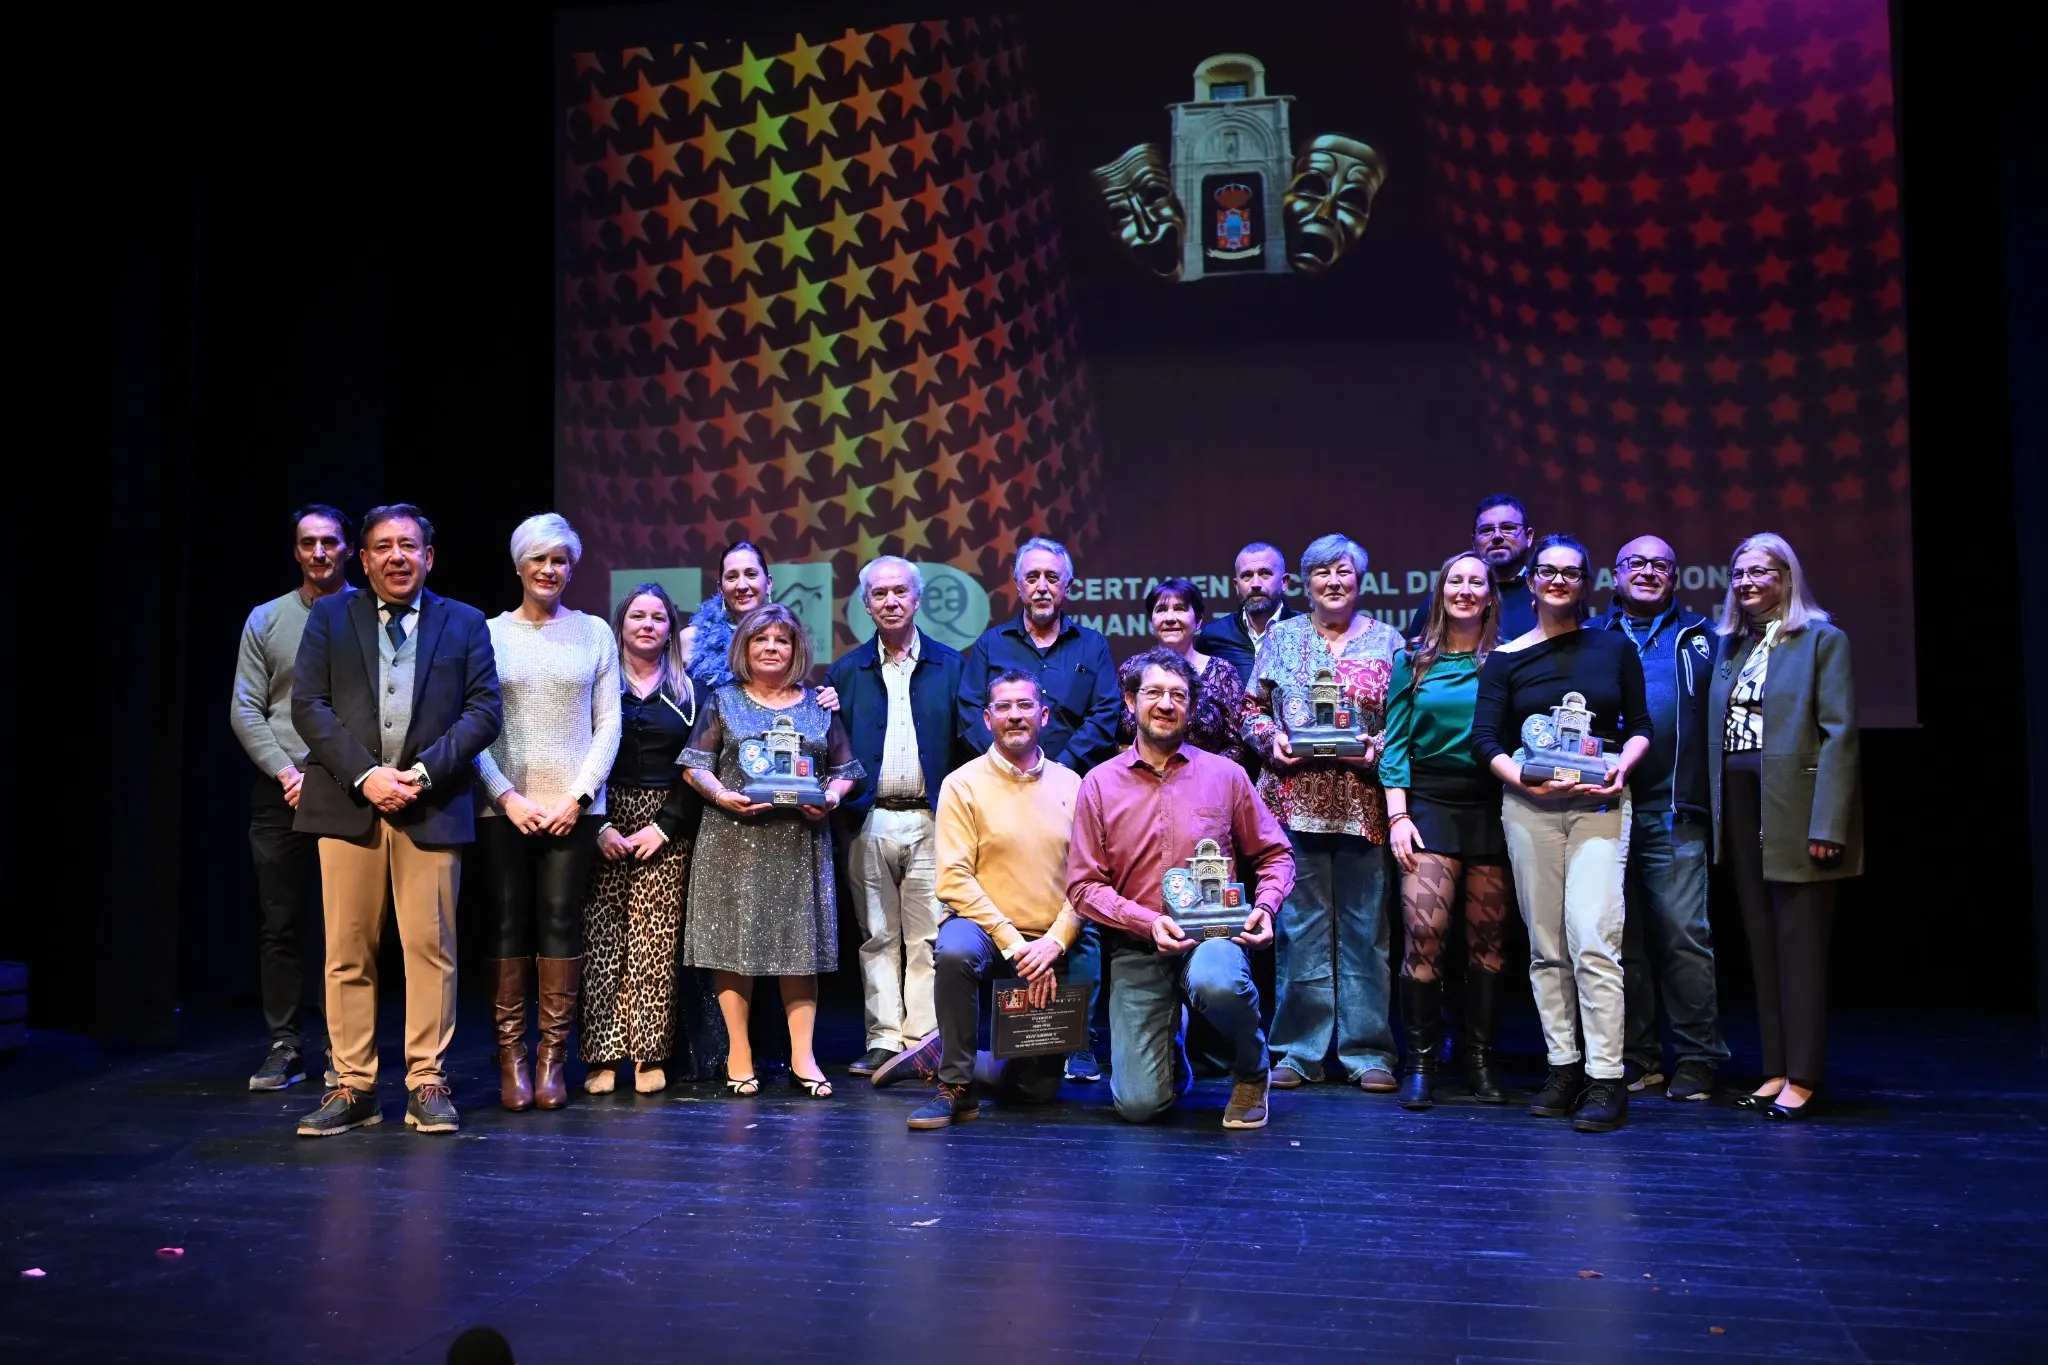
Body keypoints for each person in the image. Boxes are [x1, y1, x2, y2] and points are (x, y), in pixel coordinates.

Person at [290, 504, 501, 1137]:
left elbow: (484, 709)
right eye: (382, 546)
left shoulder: (463, 622)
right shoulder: (331, 616)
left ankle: (425, 1081)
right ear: (364, 557)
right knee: (347, 951)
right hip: (348, 803)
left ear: (429, 556)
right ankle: (353, 1084)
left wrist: (424, 774)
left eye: (408, 545)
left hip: (430, 806)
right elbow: (309, 705)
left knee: (429, 948)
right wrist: (366, 774)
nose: (396, 557)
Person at [1067, 649, 1293, 1128]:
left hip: (1214, 936)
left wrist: (1268, 907)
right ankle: (1169, 1059)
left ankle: (1252, 1072)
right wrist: (1148, 923)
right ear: (1131, 701)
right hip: (1137, 945)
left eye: (1178, 695)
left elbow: (1275, 854)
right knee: (1139, 1106)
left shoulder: (1225, 776)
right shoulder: (1099, 784)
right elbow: (1084, 886)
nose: (1166, 704)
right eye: (1153, 693)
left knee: (1218, 980)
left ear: (1191, 707)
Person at [1473, 534, 1651, 1133]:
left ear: (1586, 583)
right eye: (1547, 572)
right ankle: (1563, 1066)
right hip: (1530, 810)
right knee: (1547, 946)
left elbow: (1640, 726)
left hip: (1600, 806)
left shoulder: (1613, 648)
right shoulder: (1505, 657)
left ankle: (1606, 1077)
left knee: (1594, 938)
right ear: (1529, 582)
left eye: (1571, 573)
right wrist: (1522, 777)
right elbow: (1485, 741)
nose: (1558, 582)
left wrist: (1623, 764)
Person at [882, 669, 1087, 1128]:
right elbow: (953, 879)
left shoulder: (1073, 785)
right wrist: (1014, 943)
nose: (1016, 716)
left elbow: (1086, 880)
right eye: (1005, 708)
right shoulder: (962, 783)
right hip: (985, 933)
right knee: (953, 950)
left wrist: (1053, 942)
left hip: (1047, 941)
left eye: (1025, 706)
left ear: (1045, 715)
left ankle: (940, 1053)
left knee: (1037, 1092)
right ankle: (955, 1085)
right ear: (988, 718)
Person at [1241, 534, 1405, 1093]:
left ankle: (1367, 1052)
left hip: (1365, 808)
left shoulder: (1390, 641)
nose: (1334, 582)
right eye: (1321, 573)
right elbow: (1251, 709)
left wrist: (1374, 749)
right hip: (1292, 803)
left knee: (1367, 932)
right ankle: (1297, 1051)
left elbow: (1403, 723)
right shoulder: (1281, 637)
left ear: (1360, 581)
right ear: (1305, 584)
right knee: (1299, 931)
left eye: (1344, 572)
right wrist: (1271, 741)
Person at [958, 537, 1122, 1083]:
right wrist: (1021, 763)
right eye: (1033, 577)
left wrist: (1056, 768)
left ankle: (1079, 1044)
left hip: (1073, 793)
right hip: (1000, 793)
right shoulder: (989, 645)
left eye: (1053, 577)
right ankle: (978, 1053)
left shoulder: (1092, 645)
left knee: (1084, 912)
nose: (1043, 586)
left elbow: (1106, 715)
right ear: (1018, 583)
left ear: (1067, 585)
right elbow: (968, 713)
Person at [1708, 532, 1861, 1120]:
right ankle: (1775, 1068)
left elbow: (1839, 735)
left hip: (1795, 803)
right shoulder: (1733, 646)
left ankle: (1804, 1075)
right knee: (1761, 941)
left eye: (1761, 572)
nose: (1748, 582)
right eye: (1740, 573)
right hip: (1741, 798)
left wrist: (1829, 822)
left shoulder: (1822, 639)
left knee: (1798, 943)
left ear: (1787, 577)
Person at [470, 514, 620, 1112]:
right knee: (506, 922)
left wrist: (578, 797)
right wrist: (506, 796)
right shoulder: (486, 633)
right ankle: (511, 1057)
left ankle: (552, 1058)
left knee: (559, 921)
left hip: (573, 808)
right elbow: (473, 725)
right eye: (539, 559)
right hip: (502, 806)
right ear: (518, 566)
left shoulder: (594, 632)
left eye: (559, 560)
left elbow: (608, 721)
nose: (549, 570)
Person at [680, 604, 861, 1098]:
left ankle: (803, 1055)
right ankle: (739, 1051)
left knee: (800, 950)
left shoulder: (819, 704)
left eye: (781, 641)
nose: (771, 649)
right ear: (745, 647)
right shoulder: (722, 700)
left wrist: (831, 797)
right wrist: (721, 794)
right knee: (732, 948)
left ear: (796, 648)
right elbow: (695, 764)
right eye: (761, 640)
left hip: (799, 842)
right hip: (733, 841)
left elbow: (847, 771)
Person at [1594, 535, 1727, 1103]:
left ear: (1675, 577)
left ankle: (1697, 1057)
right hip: (1600, 806)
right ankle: (1639, 1056)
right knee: (1621, 942)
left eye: (1660, 565)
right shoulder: (1590, 637)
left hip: (1674, 809)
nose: (1648, 572)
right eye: (1636, 564)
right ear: (1616, 576)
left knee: (1682, 936)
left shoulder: (1704, 637)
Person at [826, 556, 968, 1076]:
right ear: (865, 605)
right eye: (879, 593)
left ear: (917, 598)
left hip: (933, 821)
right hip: (869, 819)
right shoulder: (845, 672)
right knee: (877, 935)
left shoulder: (952, 666)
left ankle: (923, 1040)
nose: (890, 601)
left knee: (928, 936)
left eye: (899, 592)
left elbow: (969, 744)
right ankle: (884, 1039)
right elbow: (832, 751)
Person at [230, 504, 353, 1091]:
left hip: (345, 788)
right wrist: (286, 772)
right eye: (309, 543)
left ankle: (341, 1045)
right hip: (282, 789)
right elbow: (245, 707)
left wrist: (331, 775)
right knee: (281, 923)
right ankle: (284, 1044)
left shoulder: (365, 615)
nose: (320, 553)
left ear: (348, 548)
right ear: (296, 551)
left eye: (330, 542)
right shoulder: (266, 619)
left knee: (344, 926)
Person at [581, 583, 721, 1096]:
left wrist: (663, 827)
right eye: (637, 616)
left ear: (670, 629)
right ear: (620, 624)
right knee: (602, 938)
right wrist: (598, 826)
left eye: (658, 618)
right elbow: (578, 754)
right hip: (601, 815)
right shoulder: (597, 684)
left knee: (655, 940)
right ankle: (602, 1054)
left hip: (668, 822)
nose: (647, 625)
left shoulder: (691, 692)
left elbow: (698, 766)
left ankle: (648, 1053)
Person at [1381, 551, 1509, 1109]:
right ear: (1440, 591)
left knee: (1489, 943)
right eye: (1454, 580)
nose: (1464, 590)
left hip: (1494, 806)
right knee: (1424, 934)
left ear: (1490, 594)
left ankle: (1478, 1062)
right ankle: (1421, 1065)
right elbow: (1396, 745)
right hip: (1428, 804)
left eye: (1475, 582)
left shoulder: (1507, 661)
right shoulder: (1414, 662)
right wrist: (1398, 816)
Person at [1117, 577, 1247, 768]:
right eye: (1161, 610)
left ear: (1199, 620)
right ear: (1151, 621)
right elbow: (1113, 736)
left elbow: (1238, 745)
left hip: (1205, 786)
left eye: (1180, 609)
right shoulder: (1130, 670)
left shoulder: (1222, 673)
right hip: (1139, 782)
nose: (1170, 618)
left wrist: (1198, 775)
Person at [1407, 496, 1537, 643]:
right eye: (1486, 530)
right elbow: (1413, 658)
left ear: (1529, 536)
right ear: (1474, 542)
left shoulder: (1546, 596)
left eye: (1508, 528)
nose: (1497, 536)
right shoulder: (1444, 601)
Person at [1196, 542, 1291, 687]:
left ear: (1284, 582)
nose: (1256, 584)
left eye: (1265, 573)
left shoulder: (1307, 630)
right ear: (1236, 586)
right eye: (1247, 576)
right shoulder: (1213, 636)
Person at [686, 542, 774, 693]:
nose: (741, 586)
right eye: (732, 577)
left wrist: (824, 697)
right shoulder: (690, 639)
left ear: (768, 583)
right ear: (720, 588)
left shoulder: (785, 641)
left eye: (751, 574)